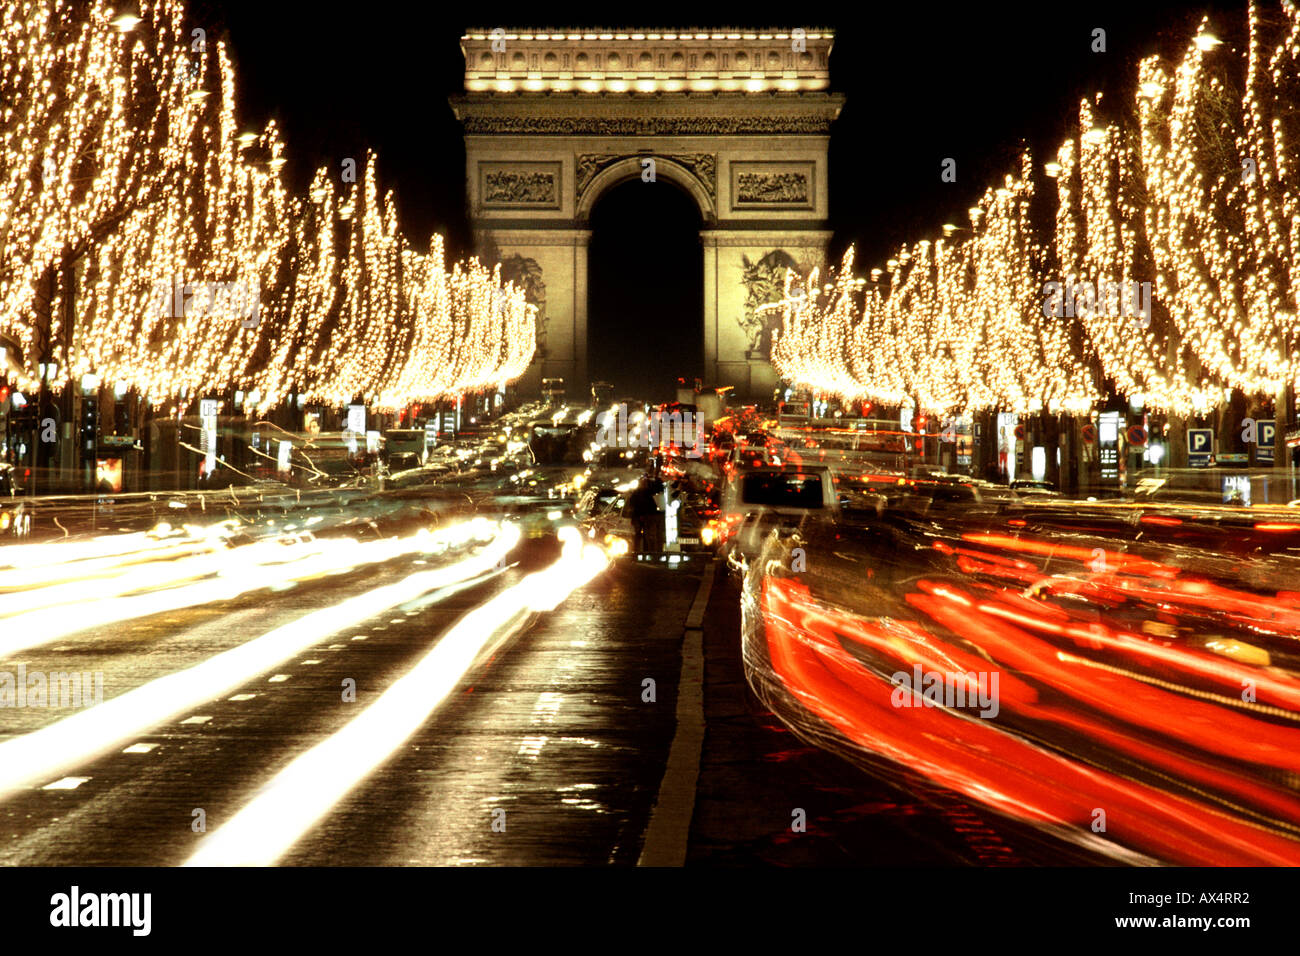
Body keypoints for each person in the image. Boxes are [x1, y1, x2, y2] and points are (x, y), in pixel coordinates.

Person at [625, 476, 660, 553]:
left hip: (642, 516)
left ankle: (639, 551)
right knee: (648, 535)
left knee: (641, 535)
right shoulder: (648, 493)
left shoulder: (637, 493)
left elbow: (632, 504)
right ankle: (648, 551)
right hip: (646, 516)